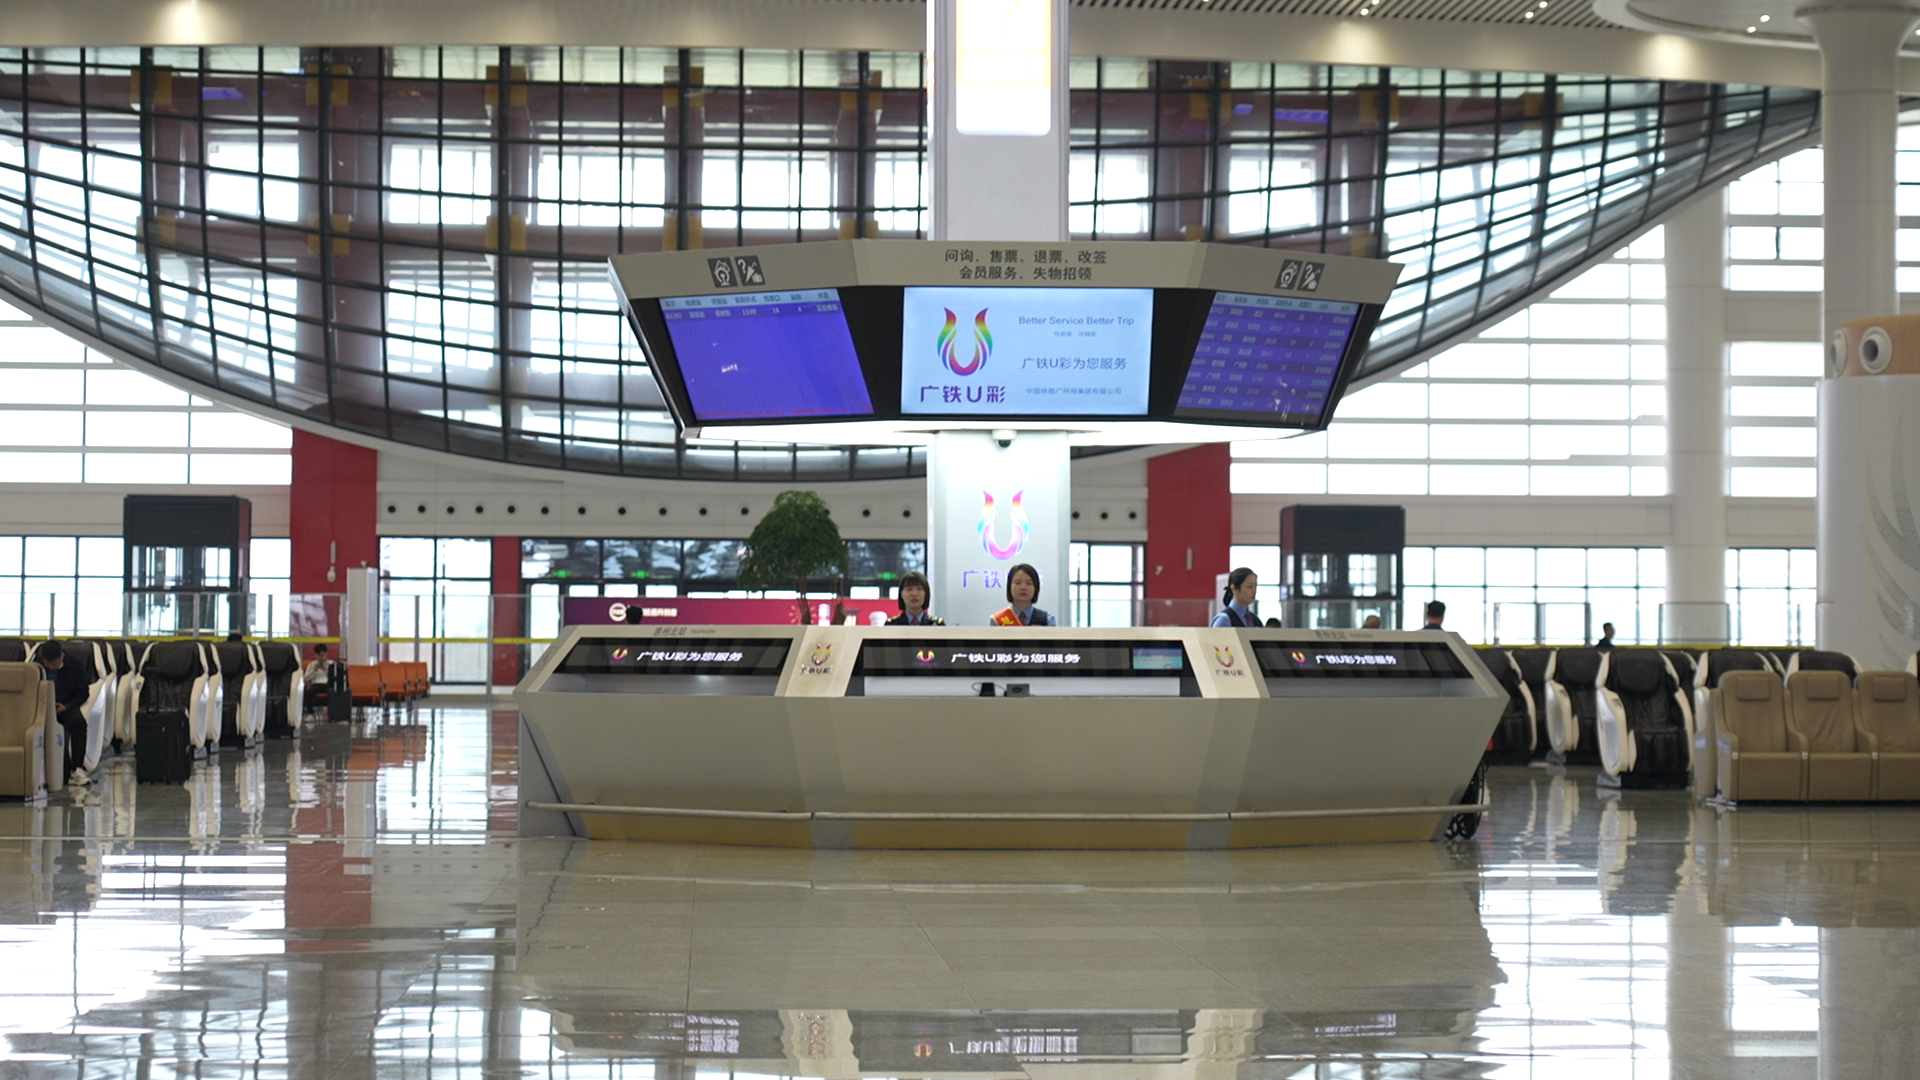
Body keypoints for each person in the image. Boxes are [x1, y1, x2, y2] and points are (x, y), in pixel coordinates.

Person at [37, 641, 90, 786]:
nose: (50, 667)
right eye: (47, 664)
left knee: (79, 723)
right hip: (41, 707)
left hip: (66, 706)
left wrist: (66, 707)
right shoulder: (36, 666)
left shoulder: (75, 665)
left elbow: (83, 693)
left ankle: (77, 768)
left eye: (54, 663)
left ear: (62, 656)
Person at [991, 563, 1057, 626]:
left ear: (1036, 588)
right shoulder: (997, 621)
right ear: (1009, 586)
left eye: (1029, 583)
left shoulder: (1048, 620)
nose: (1023, 587)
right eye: (1018, 583)